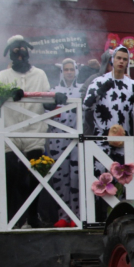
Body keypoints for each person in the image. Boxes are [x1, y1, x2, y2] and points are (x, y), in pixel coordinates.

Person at [0, 35, 51, 228]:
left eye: (22, 50)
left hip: (34, 131)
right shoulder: (2, 76)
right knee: (11, 175)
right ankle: (11, 219)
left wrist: (56, 99)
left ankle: (33, 217)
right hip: (10, 133)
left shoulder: (40, 75)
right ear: (9, 54)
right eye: (15, 51)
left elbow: (47, 98)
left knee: (36, 174)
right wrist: (7, 94)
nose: (19, 54)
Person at [83, 45, 134, 169]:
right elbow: (86, 106)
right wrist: (99, 92)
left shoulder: (133, 86)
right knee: (101, 181)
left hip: (124, 140)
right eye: (118, 58)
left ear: (127, 63)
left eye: (124, 59)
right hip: (102, 138)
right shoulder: (99, 81)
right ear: (112, 59)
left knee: (123, 180)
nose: (121, 61)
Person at [48, 58, 82, 227]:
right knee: (60, 178)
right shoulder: (53, 90)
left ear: (76, 71)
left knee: (76, 177)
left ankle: (76, 216)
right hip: (57, 139)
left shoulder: (82, 90)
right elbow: (44, 108)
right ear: (62, 71)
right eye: (66, 69)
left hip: (76, 139)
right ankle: (63, 215)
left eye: (72, 69)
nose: (69, 72)